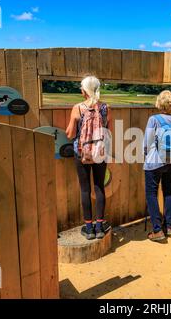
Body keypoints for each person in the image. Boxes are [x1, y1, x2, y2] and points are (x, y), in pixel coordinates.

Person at [66, 76, 113, 240]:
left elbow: (70, 133)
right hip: (100, 153)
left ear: (84, 90)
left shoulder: (78, 108)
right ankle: (99, 227)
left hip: (82, 153)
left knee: (85, 189)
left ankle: (88, 228)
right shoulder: (106, 108)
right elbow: (108, 132)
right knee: (99, 187)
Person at [143, 90, 171, 242]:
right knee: (169, 191)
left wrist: (146, 156)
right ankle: (167, 227)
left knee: (151, 193)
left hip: (155, 161)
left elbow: (147, 143)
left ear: (159, 103)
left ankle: (157, 230)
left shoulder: (153, 120)